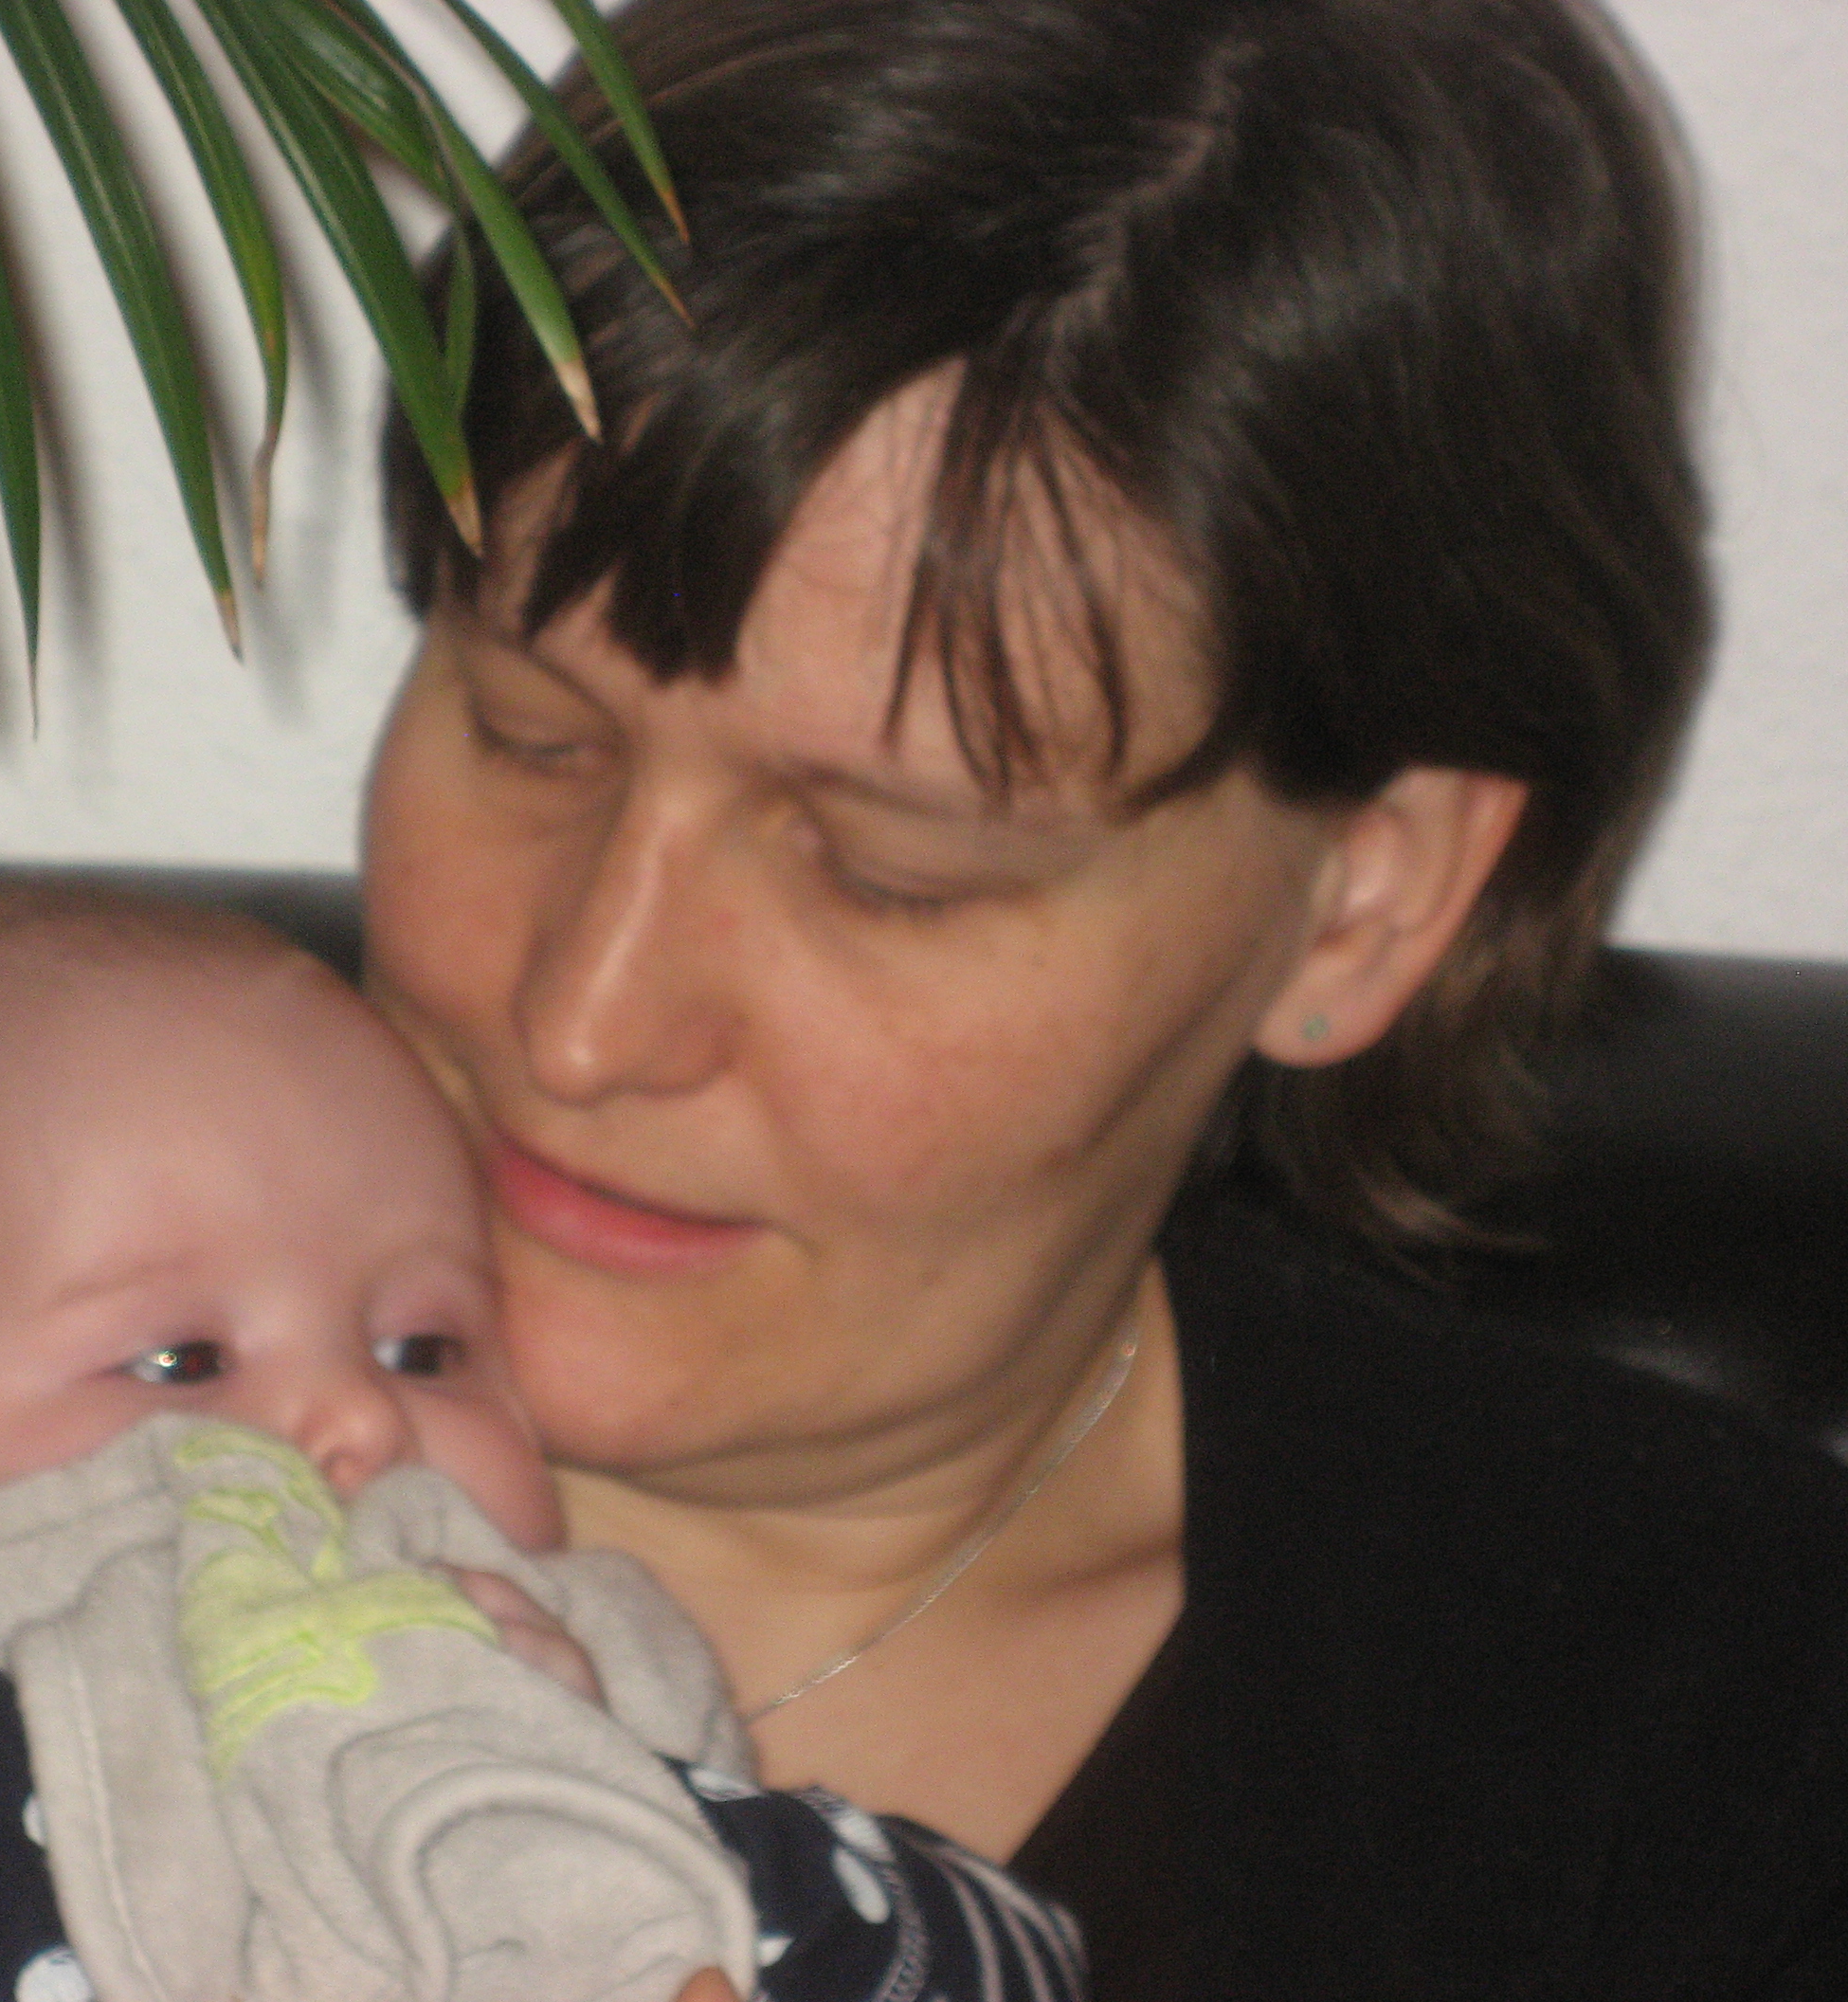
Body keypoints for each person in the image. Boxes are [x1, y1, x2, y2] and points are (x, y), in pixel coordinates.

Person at [354, 0, 1848, 1993]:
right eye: (530, 736)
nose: (582, 1019)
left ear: (1362, 907)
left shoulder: (1720, 1750)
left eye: (889, 872)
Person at [0, 888, 1086, 2002]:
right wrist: (114, 1761)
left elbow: (1020, 1965)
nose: (359, 1419)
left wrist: (638, 1818)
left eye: (426, 1349)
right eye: (180, 1360)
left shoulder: (585, 1712)